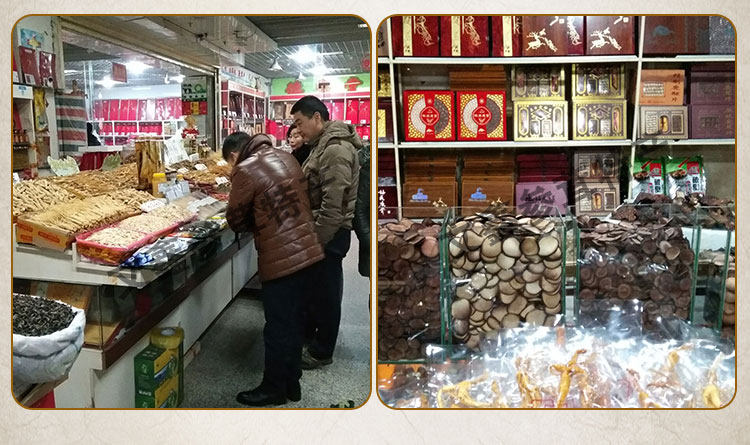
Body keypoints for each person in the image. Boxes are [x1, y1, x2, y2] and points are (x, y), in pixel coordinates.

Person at [223, 131, 324, 407]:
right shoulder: (286, 157)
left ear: (235, 155)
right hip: (309, 249)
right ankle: (292, 382)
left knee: (278, 327)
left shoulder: (245, 169)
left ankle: (274, 388)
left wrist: (258, 222)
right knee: (295, 321)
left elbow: (235, 219)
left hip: (282, 258)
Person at [291, 95, 362, 370]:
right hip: (321, 229)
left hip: (329, 233)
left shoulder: (335, 149)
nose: (298, 130)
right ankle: (313, 339)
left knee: (327, 294)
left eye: (300, 122)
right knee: (318, 290)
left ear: (317, 118)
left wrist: (317, 239)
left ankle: (322, 351)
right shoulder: (322, 144)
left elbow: (334, 204)